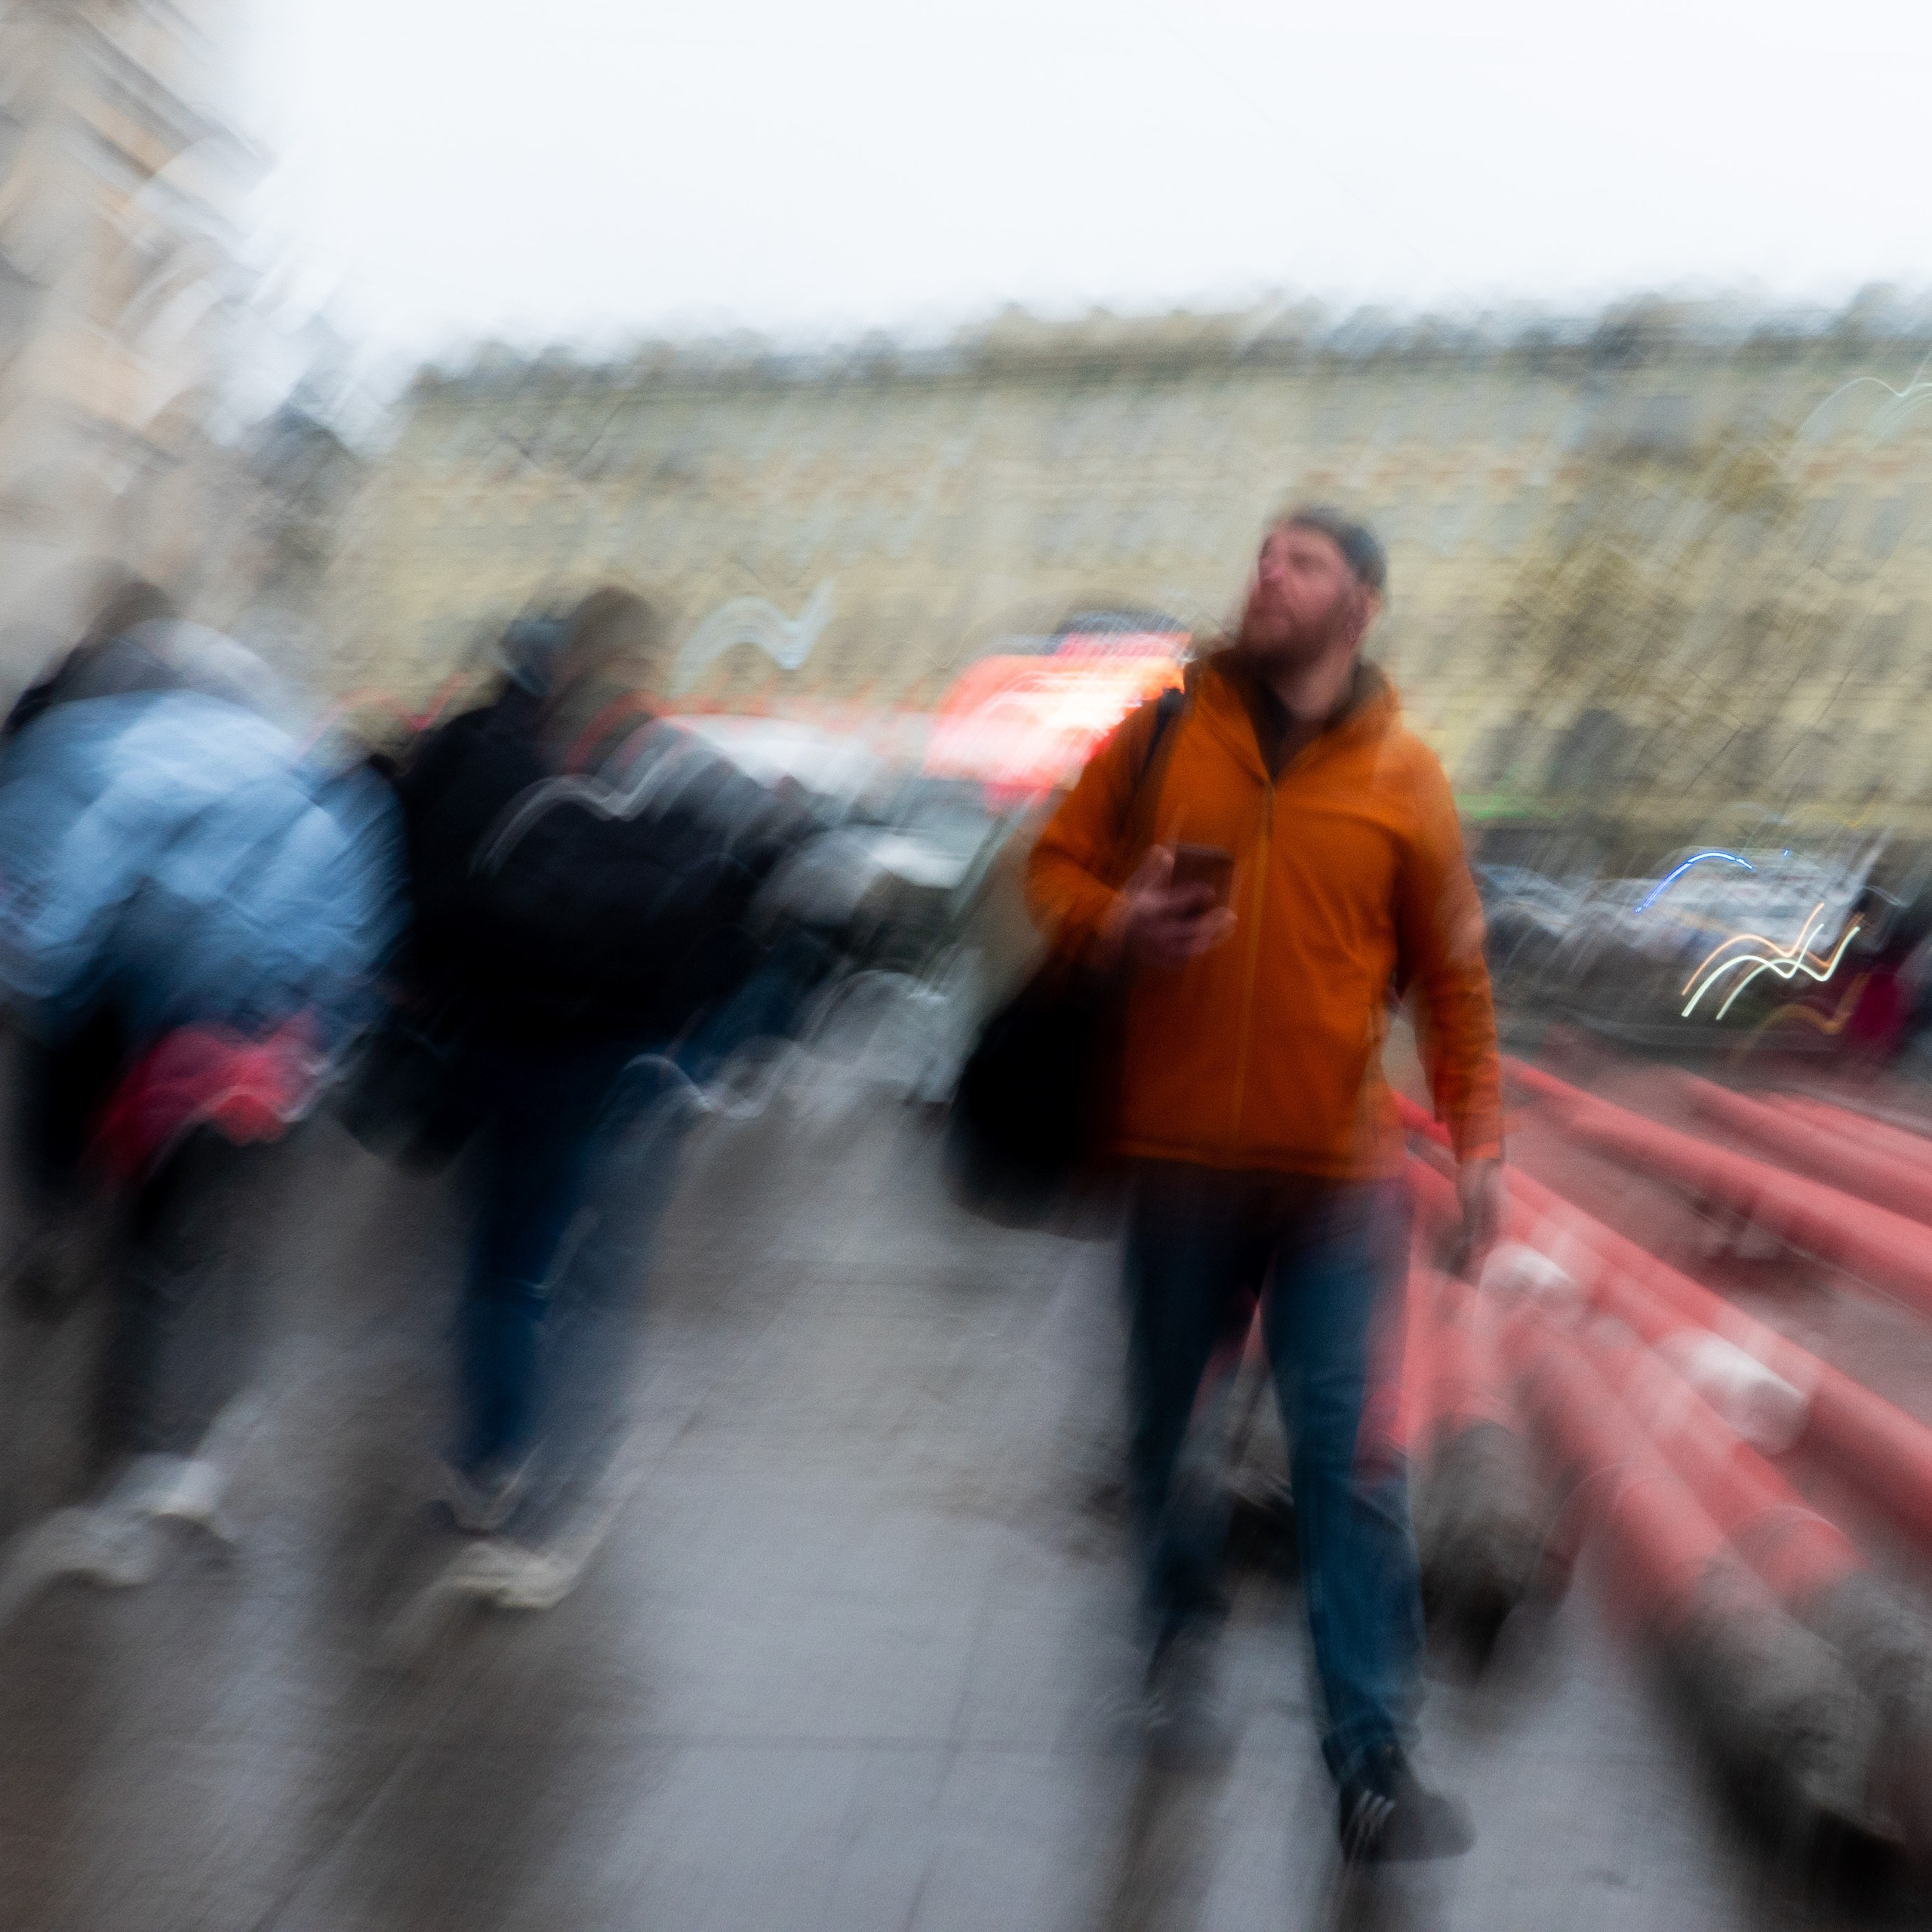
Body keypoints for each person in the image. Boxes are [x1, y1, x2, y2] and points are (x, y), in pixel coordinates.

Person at [1026, 508, 1503, 1863]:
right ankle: (1175, 1634)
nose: (1267, 574)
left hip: (1333, 1186)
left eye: (1302, 562)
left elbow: (1454, 981)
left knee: (1351, 1466)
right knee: (1163, 1437)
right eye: (1263, 556)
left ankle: (1370, 1760)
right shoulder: (1164, 734)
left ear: (1359, 603)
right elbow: (1050, 866)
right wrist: (1117, 919)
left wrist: (1480, 1145)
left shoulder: (1406, 778)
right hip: (1174, 1167)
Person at [393, 587, 814, 1604]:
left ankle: (491, 1463)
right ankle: (557, 1516)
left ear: (568, 660)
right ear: (649, 663)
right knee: (597, 1283)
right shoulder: (693, 770)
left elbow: (440, 895)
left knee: (501, 1264)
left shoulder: (514, 758)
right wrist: (711, 1038)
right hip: (631, 1061)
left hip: (509, 1047)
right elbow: (773, 900)